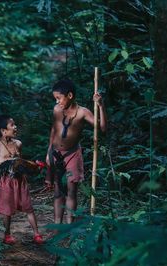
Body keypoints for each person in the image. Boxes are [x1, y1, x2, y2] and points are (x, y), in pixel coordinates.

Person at [45, 79, 107, 224]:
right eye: (55, 99)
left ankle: (69, 225)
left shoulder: (83, 112)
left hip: (72, 154)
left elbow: (102, 129)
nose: (57, 102)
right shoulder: (57, 110)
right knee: (58, 191)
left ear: (70, 95)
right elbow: (53, 131)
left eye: (59, 98)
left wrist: (101, 106)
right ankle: (57, 225)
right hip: (56, 153)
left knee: (71, 191)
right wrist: (48, 153)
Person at [0, 114, 44, 245]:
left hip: (20, 180)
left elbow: (22, 161)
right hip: (6, 182)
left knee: (28, 206)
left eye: (15, 124)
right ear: (3, 131)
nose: (15, 127)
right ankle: (7, 234)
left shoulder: (18, 144)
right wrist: (9, 165)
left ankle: (37, 234)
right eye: (12, 125)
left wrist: (31, 166)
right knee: (7, 210)